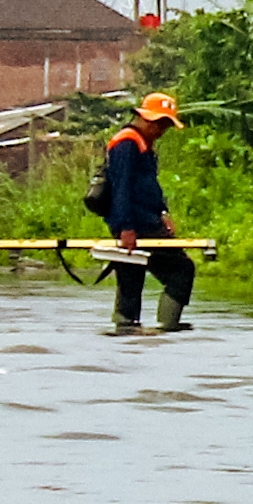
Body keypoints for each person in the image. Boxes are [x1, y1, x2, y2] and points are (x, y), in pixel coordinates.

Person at [101, 93, 190, 336]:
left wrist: (162, 212)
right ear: (148, 119)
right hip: (135, 224)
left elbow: (149, 186)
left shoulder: (143, 145)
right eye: (161, 125)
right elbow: (122, 188)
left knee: (133, 276)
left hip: (147, 220)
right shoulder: (126, 144)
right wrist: (126, 228)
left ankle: (129, 327)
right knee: (182, 270)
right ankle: (165, 330)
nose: (162, 131)